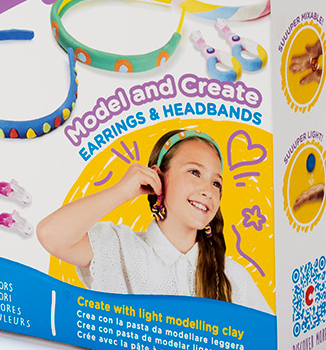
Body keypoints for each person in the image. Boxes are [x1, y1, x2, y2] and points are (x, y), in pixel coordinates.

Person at [37, 129, 271, 312]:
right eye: (195, 172)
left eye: (216, 183)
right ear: (157, 176)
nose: (208, 190)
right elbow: (51, 235)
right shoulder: (119, 248)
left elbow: (269, 346)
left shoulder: (234, 277)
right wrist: (122, 191)